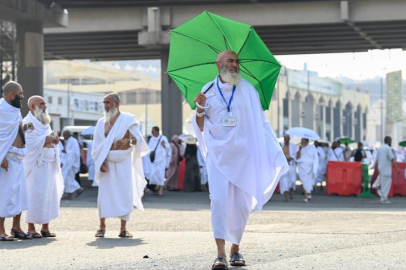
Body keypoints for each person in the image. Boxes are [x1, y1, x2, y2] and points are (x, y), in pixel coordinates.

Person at [193, 50, 288, 269]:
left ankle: (235, 249)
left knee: (241, 205)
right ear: (219, 65)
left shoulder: (249, 91)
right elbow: (201, 126)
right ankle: (220, 254)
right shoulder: (207, 90)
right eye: (230, 61)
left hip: (244, 157)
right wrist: (199, 109)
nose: (235, 65)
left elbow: (260, 123)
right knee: (218, 201)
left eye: (237, 61)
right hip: (218, 157)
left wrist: (273, 149)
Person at [92, 93, 149, 238]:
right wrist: (101, 162)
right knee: (104, 195)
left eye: (108, 102)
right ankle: (102, 227)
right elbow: (97, 146)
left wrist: (127, 141)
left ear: (116, 104)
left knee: (124, 193)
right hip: (107, 162)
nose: (105, 105)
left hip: (123, 161)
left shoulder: (128, 120)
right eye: (104, 102)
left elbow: (138, 140)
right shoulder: (101, 123)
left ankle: (123, 228)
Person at [23, 96, 64, 238]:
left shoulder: (45, 122)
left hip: (48, 164)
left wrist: (54, 140)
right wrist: (46, 140)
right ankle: (31, 228)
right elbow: (27, 142)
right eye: (42, 104)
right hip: (35, 166)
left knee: (49, 195)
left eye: (45, 103)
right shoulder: (27, 122)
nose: (45, 106)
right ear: (33, 107)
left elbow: (49, 137)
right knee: (34, 195)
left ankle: (45, 227)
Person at [0, 81, 32, 241]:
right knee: (4, 195)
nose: (22, 96)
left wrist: (25, 129)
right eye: (21, 93)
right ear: (12, 94)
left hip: (19, 158)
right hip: (5, 160)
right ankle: (0, 230)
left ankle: (16, 227)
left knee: (20, 194)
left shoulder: (15, 111)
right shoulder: (0, 109)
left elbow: (16, 129)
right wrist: (1, 157)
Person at [143, 126, 171, 198]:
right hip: (153, 160)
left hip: (161, 160)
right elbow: (149, 148)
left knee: (161, 175)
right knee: (152, 175)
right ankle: (156, 187)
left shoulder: (163, 138)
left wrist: (164, 145)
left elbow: (168, 148)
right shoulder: (152, 139)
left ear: (156, 131)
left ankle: (160, 191)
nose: (152, 133)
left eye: (153, 131)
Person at [376, 136, 400, 204]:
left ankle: (383, 198)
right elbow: (392, 159)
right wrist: (397, 168)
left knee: (383, 183)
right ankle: (384, 199)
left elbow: (377, 160)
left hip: (380, 168)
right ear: (389, 141)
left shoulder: (380, 149)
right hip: (386, 168)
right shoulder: (388, 148)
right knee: (386, 184)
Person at [61, 130, 84, 199]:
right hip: (68, 162)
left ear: (67, 135)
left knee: (70, 179)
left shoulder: (73, 141)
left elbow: (76, 153)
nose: (64, 137)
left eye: (64, 135)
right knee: (68, 179)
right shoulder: (68, 141)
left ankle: (79, 188)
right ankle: (69, 195)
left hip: (71, 163)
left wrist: (66, 151)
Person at [296, 138, 319, 203]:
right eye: (302, 141)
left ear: (307, 141)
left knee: (308, 182)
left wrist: (315, 167)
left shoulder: (312, 147)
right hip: (302, 167)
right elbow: (298, 157)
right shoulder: (299, 148)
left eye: (304, 141)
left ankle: (306, 196)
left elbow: (315, 157)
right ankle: (308, 193)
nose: (303, 142)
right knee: (304, 181)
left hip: (309, 167)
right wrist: (299, 150)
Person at [279, 134, 298, 201]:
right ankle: (286, 196)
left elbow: (296, 154)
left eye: (288, 138)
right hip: (284, 166)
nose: (286, 140)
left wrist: (292, 158)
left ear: (289, 139)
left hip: (291, 165)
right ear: (284, 139)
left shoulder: (293, 145)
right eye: (285, 138)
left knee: (292, 180)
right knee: (284, 182)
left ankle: (291, 191)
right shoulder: (280, 145)